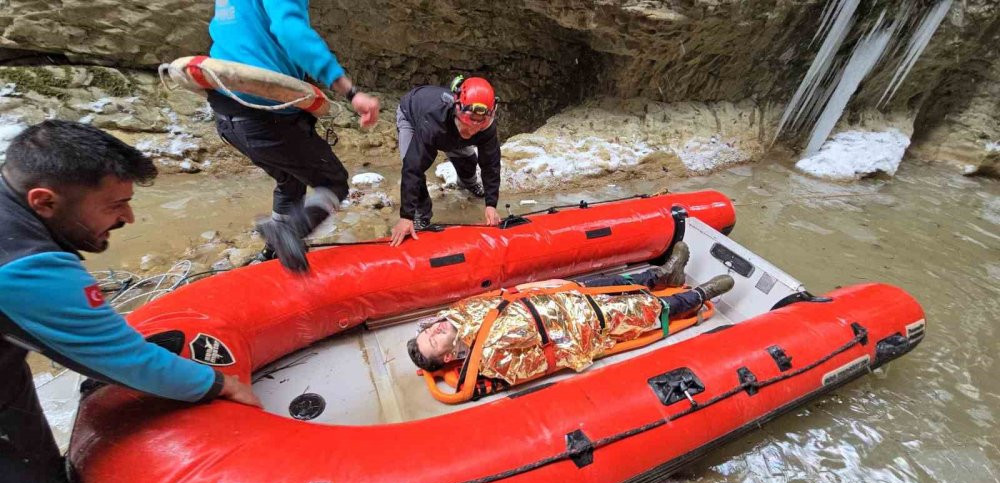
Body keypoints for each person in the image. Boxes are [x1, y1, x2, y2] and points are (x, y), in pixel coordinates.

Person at [0, 120, 261, 483]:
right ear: (44, 202)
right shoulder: (26, 267)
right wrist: (221, 384)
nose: (129, 218)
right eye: (116, 205)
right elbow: (123, 359)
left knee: (40, 462)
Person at [207, 0, 381, 272]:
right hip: (266, 116)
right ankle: (287, 233)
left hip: (227, 117)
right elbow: (291, 32)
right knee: (333, 183)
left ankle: (273, 253)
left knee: (290, 180)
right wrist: (351, 92)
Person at [407, 242, 735, 385]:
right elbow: (544, 360)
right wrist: (585, 338)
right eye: (433, 342)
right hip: (586, 323)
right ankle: (698, 294)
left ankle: (666, 274)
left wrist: (553, 286)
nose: (435, 332)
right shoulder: (492, 361)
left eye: (429, 331)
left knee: (622, 281)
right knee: (648, 308)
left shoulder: (458, 312)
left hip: (566, 293)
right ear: (449, 355)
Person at [389, 76, 501, 246]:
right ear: (457, 110)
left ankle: (468, 183)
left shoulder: (485, 126)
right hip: (412, 115)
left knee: (468, 161)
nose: (471, 131)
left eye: (478, 126)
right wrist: (406, 216)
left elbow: (491, 163)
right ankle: (420, 214)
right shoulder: (433, 121)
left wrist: (491, 204)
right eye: (468, 124)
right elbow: (413, 169)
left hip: (449, 130)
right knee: (411, 163)